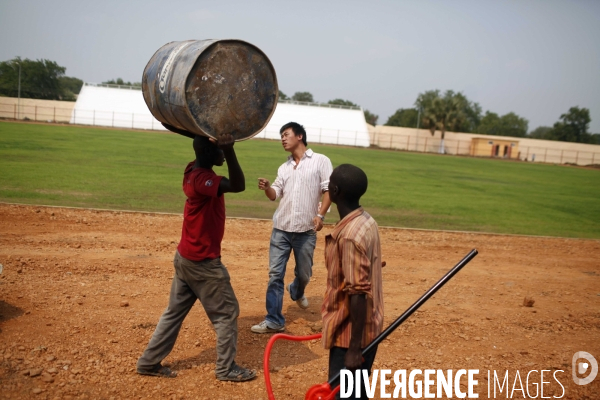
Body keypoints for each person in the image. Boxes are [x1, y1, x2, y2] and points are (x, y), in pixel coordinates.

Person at [136, 124, 256, 382]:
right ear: (208, 152)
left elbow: (198, 142)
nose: (222, 155)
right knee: (226, 313)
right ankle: (226, 368)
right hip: (203, 263)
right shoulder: (203, 180)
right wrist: (230, 151)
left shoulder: (193, 168)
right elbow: (239, 185)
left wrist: (202, 133)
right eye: (219, 151)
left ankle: (148, 362)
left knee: (173, 313)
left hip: (185, 258)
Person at [251, 122, 333, 333]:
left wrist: (320, 215)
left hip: (306, 231)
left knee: (304, 274)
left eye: (286, 135)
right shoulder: (284, 167)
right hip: (281, 229)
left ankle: (296, 290)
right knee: (275, 274)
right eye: (281, 136)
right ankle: (274, 320)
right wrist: (268, 188)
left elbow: (328, 190)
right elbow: (274, 195)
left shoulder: (320, 161)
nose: (282, 139)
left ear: (299, 136)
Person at [321, 164, 383, 399]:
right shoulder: (366, 221)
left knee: (344, 396)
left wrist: (354, 348)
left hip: (350, 334)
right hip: (368, 328)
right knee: (356, 393)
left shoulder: (348, 236)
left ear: (335, 191)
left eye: (329, 183)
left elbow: (357, 293)